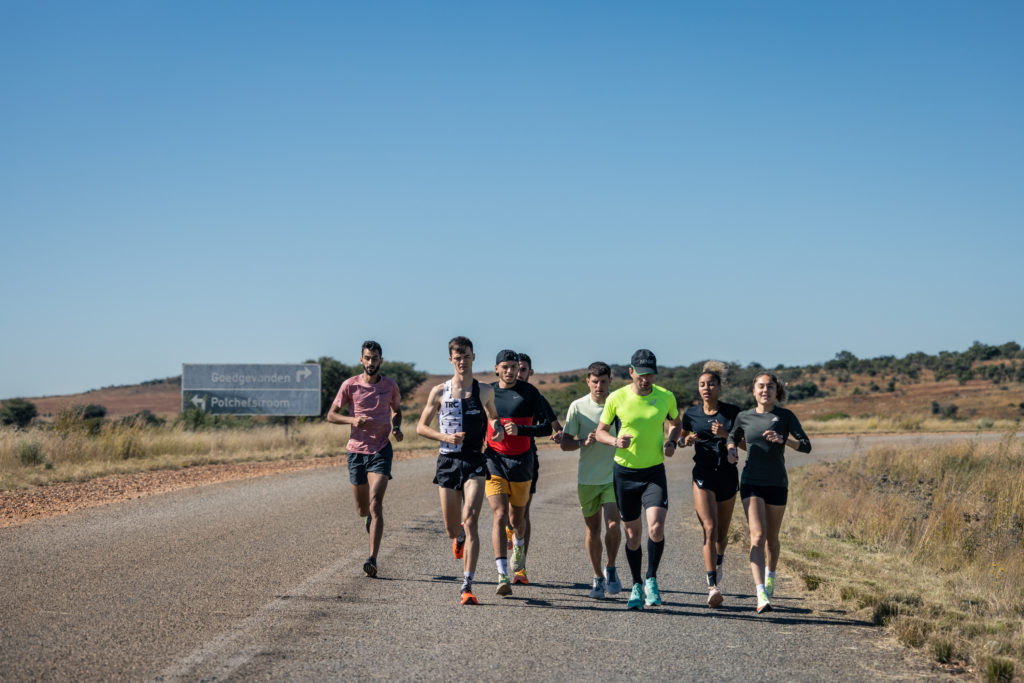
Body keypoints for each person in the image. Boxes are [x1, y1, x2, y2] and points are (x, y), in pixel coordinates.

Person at [416, 336, 503, 605]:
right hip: (448, 461)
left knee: (472, 517)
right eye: (457, 357)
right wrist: (445, 438)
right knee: (452, 528)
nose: (462, 361)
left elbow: (494, 418)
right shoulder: (439, 392)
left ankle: (467, 585)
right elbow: (421, 427)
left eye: (466, 356)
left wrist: (497, 429)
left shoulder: (485, 391)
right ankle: (459, 537)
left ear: (473, 358)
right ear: (451, 360)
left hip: (475, 460)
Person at [595, 349, 681, 610]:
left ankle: (651, 579)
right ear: (630, 372)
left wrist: (672, 441)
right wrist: (614, 441)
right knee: (633, 535)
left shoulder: (665, 397)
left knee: (656, 527)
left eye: (650, 375)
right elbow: (600, 432)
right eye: (641, 374)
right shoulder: (617, 398)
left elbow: (677, 423)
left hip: (654, 472)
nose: (646, 379)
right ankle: (635, 585)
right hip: (625, 474)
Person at [727, 371, 811, 613]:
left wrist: (784, 439)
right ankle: (760, 592)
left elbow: (806, 446)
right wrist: (732, 449)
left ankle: (770, 575)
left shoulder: (785, 416)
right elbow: (732, 437)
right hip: (751, 482)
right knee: (758, 536)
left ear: (777, 391)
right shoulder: (744, 416)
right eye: (761, 387)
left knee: (772, 540)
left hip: (777, 484)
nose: (765, 391)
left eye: (770, 387)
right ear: (754, 391)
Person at [326, 340, 403, 579]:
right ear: (361, 360)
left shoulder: (389, 386)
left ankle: (372, 558)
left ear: (381, 360)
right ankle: (369, 517)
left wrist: (396, 427)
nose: (371, 362)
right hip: (356, 452)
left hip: (380, 450)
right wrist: (352, 420)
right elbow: (331, 415)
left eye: (375, 358)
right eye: (367, 358)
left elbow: (397, 410)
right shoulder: (350, 386)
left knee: (376, 502)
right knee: (362, 509)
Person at [485, 350, 552, 596]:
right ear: (496, 368)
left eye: (514, 367)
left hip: (523, 462)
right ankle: (502, 573)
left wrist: (521, 430)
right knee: (499, 514)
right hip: (494, 460)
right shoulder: (488, 392)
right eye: (505, 366)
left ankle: (520, 550)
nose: (510, 371)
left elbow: (546, 427)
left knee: (517, 519)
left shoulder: (531, 393)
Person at [680, 361, 742, 608]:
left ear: (720, 387)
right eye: (702, 384)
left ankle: (720, 559)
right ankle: (712, 586)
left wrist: (727, 436)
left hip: (727, 476)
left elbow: (745, 444)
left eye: (711, 384)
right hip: (703, 475)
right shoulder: (691, 414)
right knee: (710, 528)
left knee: (722, 536)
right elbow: (683, 438)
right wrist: (687, 440)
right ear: (699, 388)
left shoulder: (732, 412)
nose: (706, 388)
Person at [561, 361, 623, 598]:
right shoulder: (577, 407)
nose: (599, 386)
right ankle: (597, 577)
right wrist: (581, 443)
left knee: (613, 525)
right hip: (587, 479)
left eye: (603, 381)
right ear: (587, 381)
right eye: (594, 381)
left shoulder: (619, 404)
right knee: (593, 529)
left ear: (610, 381)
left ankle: (611, 567)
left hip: (614, 475)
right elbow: (565, 443)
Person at [509, 351, 563, 584]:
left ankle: (520, 568)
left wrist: (560, 434)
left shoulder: (535, 397)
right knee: (502, 513)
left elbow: (553, 425)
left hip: (527, 459)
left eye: (523, 370)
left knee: (523, 514)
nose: (518, 374)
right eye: (515, 368)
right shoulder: (497, 394)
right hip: (498, 460)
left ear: (530, 373)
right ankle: (508, 532)